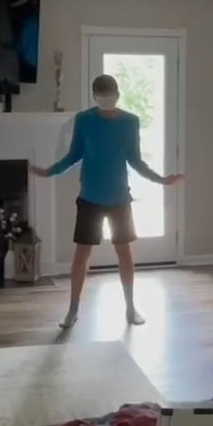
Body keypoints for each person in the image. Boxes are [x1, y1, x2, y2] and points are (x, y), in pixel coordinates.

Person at [30, 74, 183, 329]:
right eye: (101, 97)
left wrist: (162, 180)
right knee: (82, 254)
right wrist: (49, 171)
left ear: (117, 95)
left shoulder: (130, 122)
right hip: (89, 198)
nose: (106, 100)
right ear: (95, 98)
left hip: (120, 198)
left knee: (124, 253)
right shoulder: (85, 120)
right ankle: (73, 309)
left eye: (109, 96)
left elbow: (135, 160)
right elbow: (74, 155)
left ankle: (131, 307)